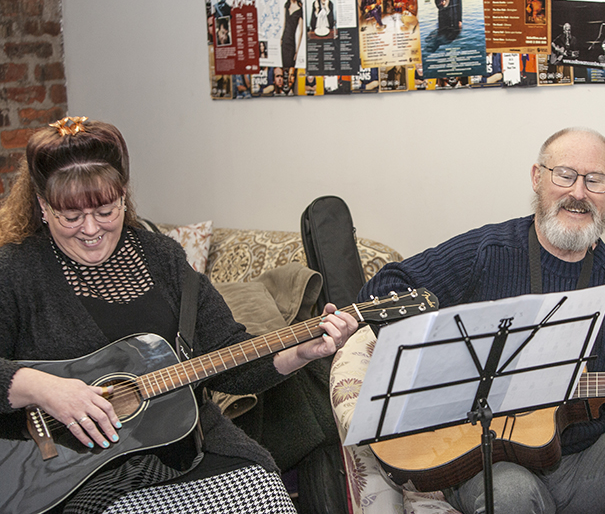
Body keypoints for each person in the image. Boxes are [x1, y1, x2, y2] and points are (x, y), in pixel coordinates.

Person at [0, 117, 357, 513]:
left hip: (191, 448)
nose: (91, 229)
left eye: (105, 210)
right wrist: (41, 387)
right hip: (75, 472)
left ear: (123, 199)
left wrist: (300, 352)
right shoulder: (16, 271)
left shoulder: (162, 258)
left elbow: (229, 357)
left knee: (267, 497)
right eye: (71, 216)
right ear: (43, 208)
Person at [358, 127, 605, 514]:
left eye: (595, 180)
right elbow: (384, 288)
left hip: (582, 463)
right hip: (488, 460)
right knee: (511, 495)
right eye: (565, 175)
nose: (579, 192)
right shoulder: (487, 252)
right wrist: (445, 365)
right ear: (538, 178)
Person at [281, 0, 303, 68]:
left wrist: (297, 51)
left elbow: (301, 32)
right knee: (284, 68)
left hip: (291, 44)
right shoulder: (286, 5)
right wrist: (281, 38)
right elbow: (284, 23)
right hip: (284, 42)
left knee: (291, 67)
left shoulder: (300, 8)